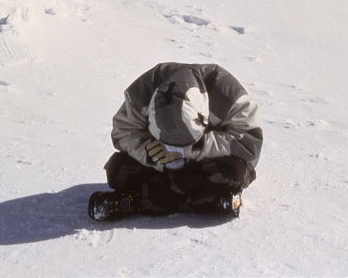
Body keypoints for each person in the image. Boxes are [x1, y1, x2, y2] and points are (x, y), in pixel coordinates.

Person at [88, 62, 262, 220]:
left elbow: (248, 144)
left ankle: (137, 201)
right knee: (116, 169)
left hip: (207, 161)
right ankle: (212, 199)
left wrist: (188, 150)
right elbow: (122, 132)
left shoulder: (230, 94)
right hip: (165, 166)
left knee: (234, 172)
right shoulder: (142, 91)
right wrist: (149, 152)